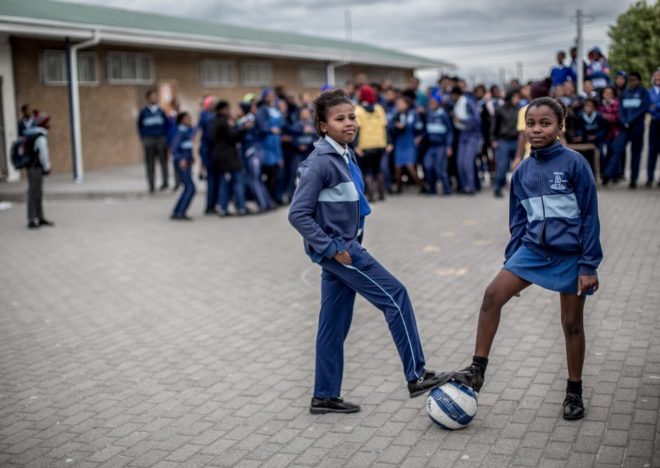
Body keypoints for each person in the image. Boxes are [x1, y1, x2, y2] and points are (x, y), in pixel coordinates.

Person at [288, 89, 451, 414]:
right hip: (343, 252)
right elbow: (298, 214)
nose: (349, 123)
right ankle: (416, 374)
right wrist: (332, 248)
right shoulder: (320, 163)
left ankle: (324, 396)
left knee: (333, 326)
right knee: (396, 296)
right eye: (340, 119)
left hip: (347, 247)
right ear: (322, 126)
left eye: (351, 117)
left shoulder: (345, 154)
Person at [452, 97, 603, 421]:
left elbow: (590, 215)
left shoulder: (575, 164)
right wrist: (512, 262)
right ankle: (477, 370)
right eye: (531, 123)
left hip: (571, 255)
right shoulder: (521, 171)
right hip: (533, 251)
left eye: (545, 123)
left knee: (572, 324)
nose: (536, 129)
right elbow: (518, 221)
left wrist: (589, 264)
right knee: (492, 296)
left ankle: (573, 391)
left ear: (559, 126)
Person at [614, 71, 650, 189]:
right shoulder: (625, 93)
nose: (632, 82)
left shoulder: (643, 92)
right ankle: (613, 174)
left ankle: (634, 179)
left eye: (634, 80)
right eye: (630, 80)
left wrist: (630, 120)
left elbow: (643, 108)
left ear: (638, 80)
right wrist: (624, 120)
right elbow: (620, 109)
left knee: (636, 153)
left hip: (637, 127)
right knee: (618, 149)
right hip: (625, 127)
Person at [237, 100, 274, 213]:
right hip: (252, 152)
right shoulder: (247, 119)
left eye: (238, 108)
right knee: (256, 179)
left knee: (254, 180)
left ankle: (263, 204)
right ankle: (268, 203)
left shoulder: (248, 120)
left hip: (253, 152)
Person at [212, 101, 246, 216]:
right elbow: (233, 137)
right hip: (228, 159)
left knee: (225, 182)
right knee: (235, 182)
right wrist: (243, 129)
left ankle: (224, 207)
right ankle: (240, 207)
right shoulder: (222, 123)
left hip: (223, 158)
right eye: (228, 109)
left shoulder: (216, 122)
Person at [354, 85, 388, 201]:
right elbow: (385, 126)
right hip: (380, 144)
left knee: (367, 170)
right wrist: (387, 142)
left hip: (365, 145)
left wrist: (356, 146)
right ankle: (382, 193)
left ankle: (371, 195)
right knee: (377, 169)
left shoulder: (358, 110)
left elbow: (356, 130)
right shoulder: (379, 108)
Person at [389, 95, 425, 193]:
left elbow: (421, 127)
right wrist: (396, 126)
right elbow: (390, 128)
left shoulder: (414, 114)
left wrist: (419, 137)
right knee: (398, 167)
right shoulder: (396, 115)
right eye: (397, 104)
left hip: (409, 142)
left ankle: (421, 186)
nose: (398, 106)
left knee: (410, 166)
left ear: (407, 104)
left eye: (401, 104)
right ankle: (398, 188)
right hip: (399, 143)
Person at [451, 86, 481, 194]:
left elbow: (476, 120)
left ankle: (471, 187)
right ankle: (465, 186)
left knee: (468, 162)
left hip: (472, 135)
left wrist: (461, 120)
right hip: (462, 134)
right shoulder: (456, 104)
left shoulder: (468, 103)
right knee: (460, 162)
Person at [26, 113, 54, 229]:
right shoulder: (40, 137)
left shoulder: (34, 134)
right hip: (35, 169)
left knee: (38, 193)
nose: (49, 124)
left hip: (33, 168)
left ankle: (39, 217)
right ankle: (32, 219)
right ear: (43, 123)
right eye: (47, 122)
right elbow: (43, 155)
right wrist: (47, 167)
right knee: (33, 194)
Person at [137, 89, 169, 192]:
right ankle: (151, 185)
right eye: (152, 97)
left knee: (163, 161)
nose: (154, 98)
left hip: (160, 138)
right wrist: (144, 138)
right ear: (147, 99)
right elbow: (139, 126)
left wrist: (165, 137)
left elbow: (167, 125)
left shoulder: (161, 111)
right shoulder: (143, 112)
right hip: (149, 139)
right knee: (150, 163)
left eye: (155, 96)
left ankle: (165, 182)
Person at [491, 89, 521, 198]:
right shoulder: (500, 110)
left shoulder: (520, 109)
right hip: (503, 141)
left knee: (519, 167)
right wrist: (493, 139)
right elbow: (494, 125)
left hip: (517, 140)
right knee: (502, 166)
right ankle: (497, 188)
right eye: (515, 97)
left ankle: (519, 191)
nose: (517, 99)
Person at [257, 88, 284, 203]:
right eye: (268, 95)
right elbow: (261, 127)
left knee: (278, 173)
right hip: (267, 144)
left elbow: (282, 124)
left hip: (276, 144)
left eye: (272, 95)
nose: (271, 97)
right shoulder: (262, 110)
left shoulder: (275, 109)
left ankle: (274, 197)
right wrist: (271, 129)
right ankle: (269, 199)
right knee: (270, 173)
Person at [423, 93, 453, 195]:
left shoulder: (443, 115)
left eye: (434, 103)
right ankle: (432, 188)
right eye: (430, 102)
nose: (431, 104)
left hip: (441, 146)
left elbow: (449, 131)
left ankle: (447, 189)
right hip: (431, 146)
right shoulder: (429, 114)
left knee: (439, 169)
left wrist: (449, 146)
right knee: (428, 166)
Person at [170, 112, 196, 220]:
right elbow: (174, 148)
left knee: (187, 188)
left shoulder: (186, 131)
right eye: (187, 118)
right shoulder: (180, 131)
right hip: (182, 163)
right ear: (181, 120)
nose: (189, 120)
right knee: (190, 188)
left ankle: (177, 211)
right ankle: (180, 212)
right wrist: (182, 159)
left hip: (187, 162)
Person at [196, 96, 219, 214]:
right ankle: (210, 205)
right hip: (209, 152)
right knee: (211, 180)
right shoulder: (207, 116)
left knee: (214, 180)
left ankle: (213, 204)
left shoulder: (206, 115)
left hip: (210, 150)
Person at [573, 98, 607, 174]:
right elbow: (579, 128)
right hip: (585, 140)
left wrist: (596, 136)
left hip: (597, 140)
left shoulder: (599, 116)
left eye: (590, 106)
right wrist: (580, 135)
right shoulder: (581, 116)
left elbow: (603, 129)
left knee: (601, 154)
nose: (588, 107)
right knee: (585, 155)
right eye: (586, 105)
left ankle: (603, 174)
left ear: (594, 107)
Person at [599, 86, 620, 184]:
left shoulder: (616, 103)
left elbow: (617, 117)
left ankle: (611, 174)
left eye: (610, 93)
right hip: (602, 133)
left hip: (614, 132)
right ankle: (605, 174)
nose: (607, 95)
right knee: (604, 154)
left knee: (613, 152)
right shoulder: (600, 104)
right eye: (605, 92)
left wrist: (605, 116)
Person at [646, 69, 660, 187]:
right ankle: (649, 177)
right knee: (652, 151)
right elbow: (648, 106)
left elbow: (654, 104)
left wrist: (656, 105)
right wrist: (653, 107)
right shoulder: (649, 92)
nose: (657, 78)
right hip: (654, 123)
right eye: (656, 76)